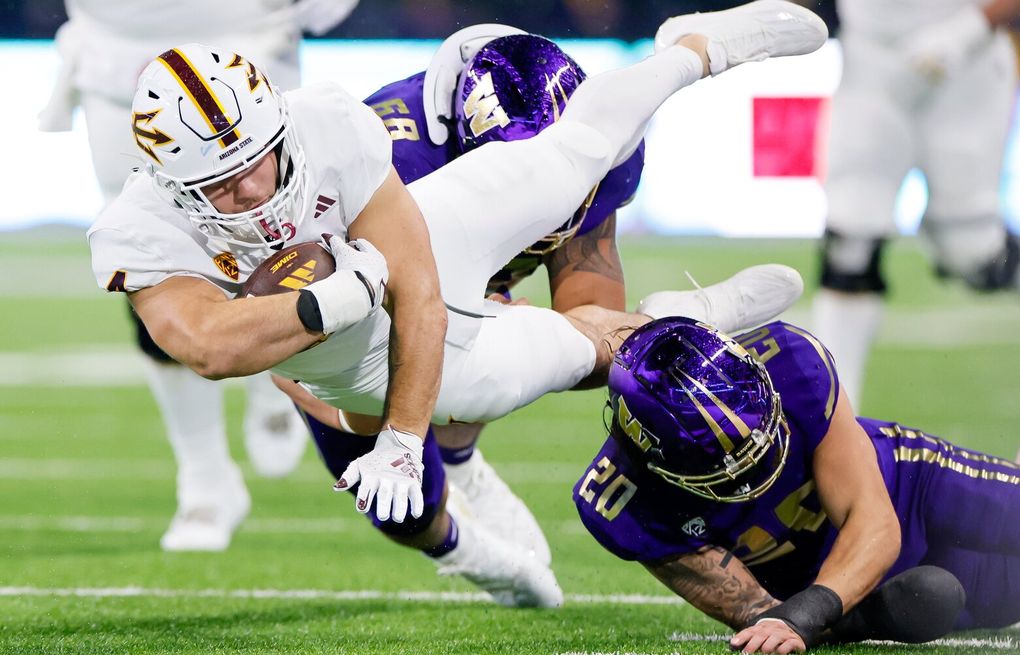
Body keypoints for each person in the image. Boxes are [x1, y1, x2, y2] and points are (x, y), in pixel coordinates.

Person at [86, 0, 827, 602]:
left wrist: (408, 438)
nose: (253, 192)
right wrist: (326, 309)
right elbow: (212, 347)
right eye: (222, 184)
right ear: (171, 185)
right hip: (345, 366)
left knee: (576, 155)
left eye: (260, 162)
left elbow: (417, 281)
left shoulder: (329, 123)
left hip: (436, 249)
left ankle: (695, 50)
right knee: (414, 503)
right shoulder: (139, 233)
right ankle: (477, 547)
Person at [294, 25, 649, 566]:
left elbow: (592, 321)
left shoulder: (604, 138)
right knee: (408, 515)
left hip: (466, 287)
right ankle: (469, 549)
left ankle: (460, 457)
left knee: (601, 351)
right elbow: (301, 338)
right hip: (356, 322)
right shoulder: (387, 156)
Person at [39, 0, 360, 552]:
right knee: (151, 260)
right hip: (119, 62)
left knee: (273, 233)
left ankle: (275, 378)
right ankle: (205, 476)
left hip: (245, 58)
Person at [574, 316, 1020, 652]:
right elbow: (762, 615)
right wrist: (862, 619)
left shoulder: (790, 361)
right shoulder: (623, 502)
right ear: (658, 464)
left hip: (908, 488)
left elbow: (873, 522)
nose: (760, 463)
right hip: (821, 583)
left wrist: (809, 613)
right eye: (729, 465)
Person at [812, 0, 1020, 409]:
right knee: (850, 238)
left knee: (972, 249)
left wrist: (974, 24)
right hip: (870, 62)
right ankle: (834, 421)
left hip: (967, 66)